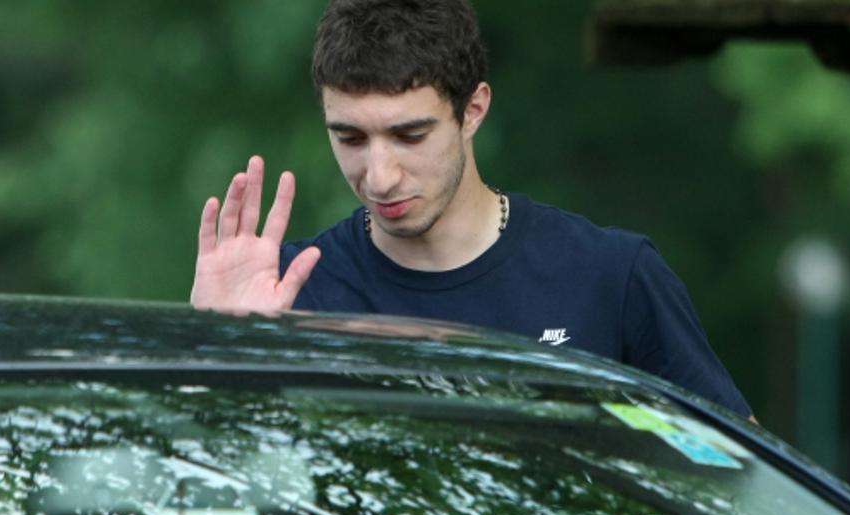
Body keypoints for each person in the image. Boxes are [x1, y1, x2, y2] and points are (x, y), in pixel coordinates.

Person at [191, 0, 751, 418]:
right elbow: (199, 509)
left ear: (473, 110)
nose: (379, 177)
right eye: (351, 139)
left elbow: (747, 484)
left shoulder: (609, 277)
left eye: (410, 135)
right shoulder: (287, 294)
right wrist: (211, 357)